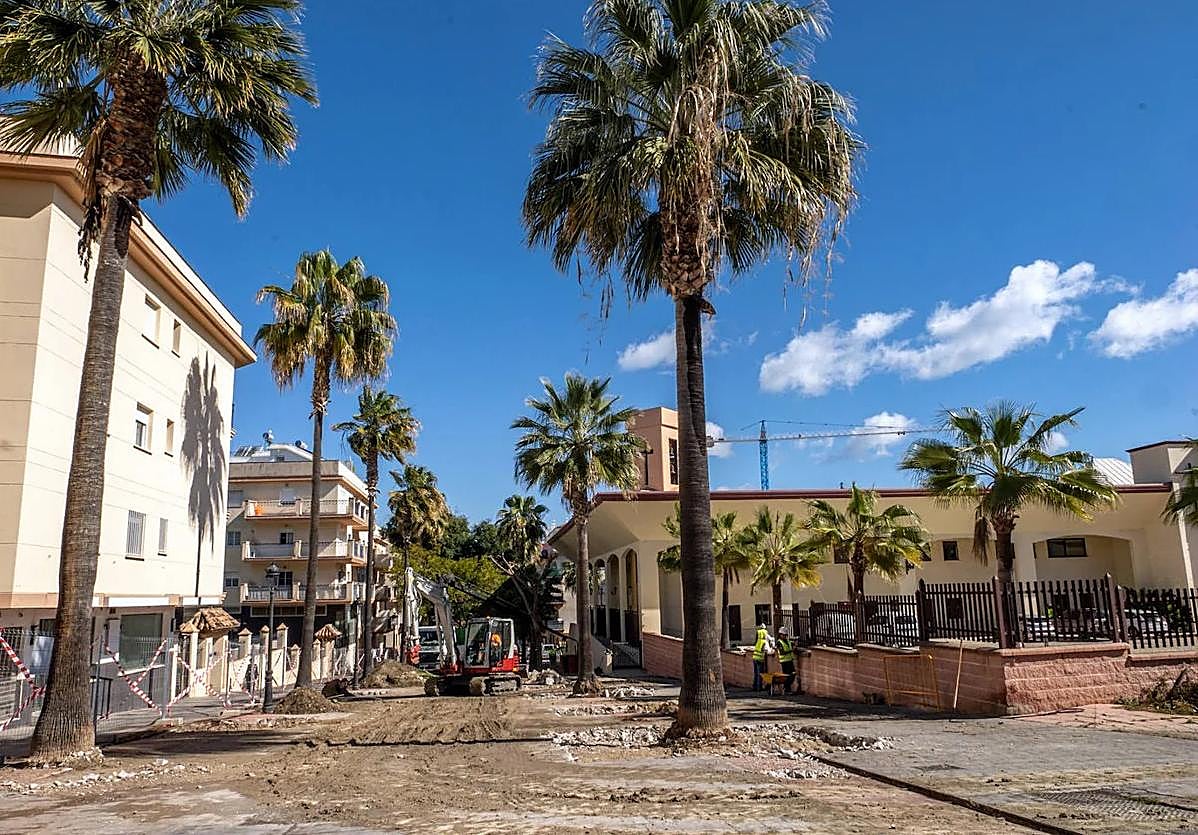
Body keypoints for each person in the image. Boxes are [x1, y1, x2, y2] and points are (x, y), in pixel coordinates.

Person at [751, 623, 772, 692]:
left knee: (756, 673)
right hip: (760, 659)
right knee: (760, 674)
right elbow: (768, 651)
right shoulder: (764, 642)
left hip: (755, 658)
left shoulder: (758, 642)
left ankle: (754, 686)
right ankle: (759, 687)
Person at [776, 626, 795, 694]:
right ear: (780, 634)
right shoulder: (779, 642)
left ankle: (786, 687)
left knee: (793, 674)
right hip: (784, 661)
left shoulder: (787, 641)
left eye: (785, 635)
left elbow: (791, 644)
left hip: (790, 660)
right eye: (783, 635)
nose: (784, 636)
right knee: (787, 675)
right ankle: (787, 689)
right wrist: (791, 650)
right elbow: (782, 652)